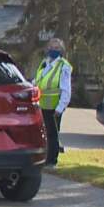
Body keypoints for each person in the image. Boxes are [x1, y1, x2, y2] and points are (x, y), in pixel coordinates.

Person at [33, 38, 72, 168]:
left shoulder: (63, 66)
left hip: (54, 107)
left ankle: (52, 161)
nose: (53, 50)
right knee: (43, 133)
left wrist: (60, 107)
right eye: (51, 47)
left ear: (61, 50)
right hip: (41, 105)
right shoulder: (45, 63)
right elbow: (38, 80)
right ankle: (44, 158)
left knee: (52, 134)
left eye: (56, 48)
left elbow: (66, 89)